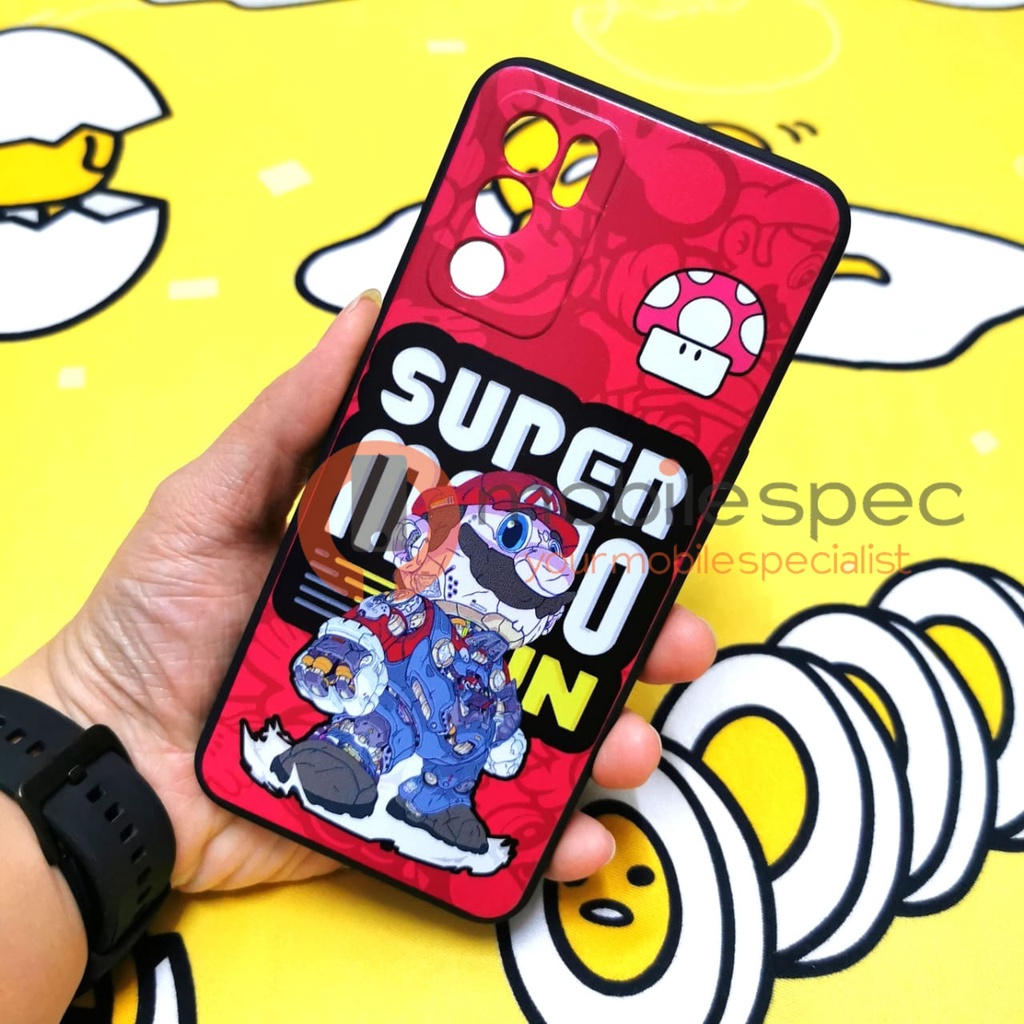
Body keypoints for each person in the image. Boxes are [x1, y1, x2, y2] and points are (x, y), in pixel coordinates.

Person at [0, 291, 717, 1023]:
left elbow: (502, 704)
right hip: (395, 701)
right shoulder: (416, 607)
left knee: (460, 764)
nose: (531, 572)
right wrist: (342, 660)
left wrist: (506, 741)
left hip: (455, 731)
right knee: (379, 728)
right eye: (511, 544)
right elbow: (370, 629)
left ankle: (436, 804)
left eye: (549, 566)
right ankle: (341, 758)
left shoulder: (498, 662)